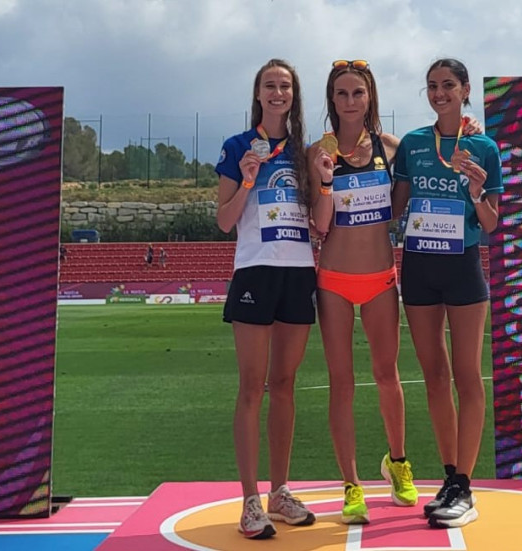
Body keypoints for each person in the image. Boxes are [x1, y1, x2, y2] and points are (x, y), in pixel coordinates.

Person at [391, 58, 501, 529]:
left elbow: (492, 223)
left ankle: (465, 486)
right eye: (433, 86)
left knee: (467, 376)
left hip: (463, 267)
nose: (440, 93)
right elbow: (394, 205)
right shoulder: (414, 143)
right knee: (434, 377)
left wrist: (476, 191)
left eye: (448, 85)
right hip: (418, 265)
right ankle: (450, 476)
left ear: (465, 89)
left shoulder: (485, 146)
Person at [309, 59, 417, 524]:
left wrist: (468, 126)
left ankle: (397, 463)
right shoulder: (318, 152)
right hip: (333, 279)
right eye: (341, 94)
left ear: (370, 96)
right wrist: (328, 180)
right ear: (331, 100)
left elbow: (399, 207)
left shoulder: (393, 149)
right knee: (342, 383)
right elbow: (320, 222)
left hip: (379, 279)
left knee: (387, 375)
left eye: (358, 93)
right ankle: (351, 484)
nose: (350, 101)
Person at [215, 58, 317, 540]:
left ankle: (279, 492)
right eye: (270, 86)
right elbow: (224, 220)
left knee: (285, 383)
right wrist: (249, 179)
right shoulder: (238, 147)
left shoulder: (303, 151)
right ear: (258, 93)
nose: (278, 93)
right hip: (254, 270)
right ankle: (250, 500)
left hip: (299, 273)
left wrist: (324, 176)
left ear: (293, 96)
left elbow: (320, 221)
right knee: (252, 386)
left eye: (286, 87)